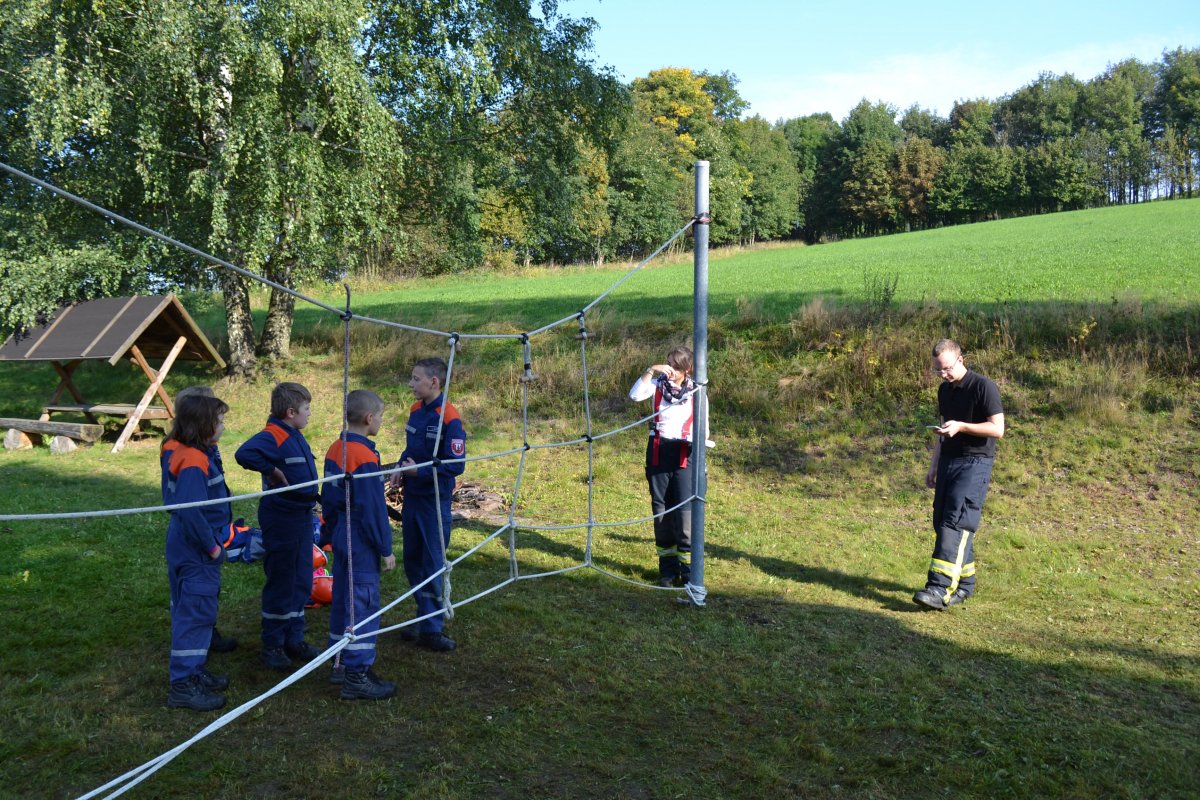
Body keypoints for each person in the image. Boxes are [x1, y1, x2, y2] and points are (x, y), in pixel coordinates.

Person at [235, 382, 323, 669]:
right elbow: (244, 453)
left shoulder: (294, 434)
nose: (310, 413)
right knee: (283, 579)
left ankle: (294, 638)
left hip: (301, 516)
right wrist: (271, 470)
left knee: (301, 578)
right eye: (307, 408)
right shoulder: (273, 434)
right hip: (282, 517)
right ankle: (273, 644)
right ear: (290, 412)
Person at [914, 338, 1005, 610]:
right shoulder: (944, 391)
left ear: (961, 359)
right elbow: (943, 430)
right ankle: (965, 583)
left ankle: (939, 588)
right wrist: (933, 466)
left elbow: (997, 429)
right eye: (937, 370)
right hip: (948, 462)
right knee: (942, 521)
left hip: (975, 464)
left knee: (956, 522)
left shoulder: (984, 387)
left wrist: (962, 426)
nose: (943, 374)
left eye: (947, 368)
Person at [321, 389, 398, 700]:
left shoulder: (335, 448)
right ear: (369, 418)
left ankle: (339, 662)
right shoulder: (363, 456)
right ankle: (357, 675)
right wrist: (385, 548)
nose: (380, 421)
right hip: (360, 537)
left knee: (343, 598)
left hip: (341, 530)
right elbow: (372, 508)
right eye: (380, 416)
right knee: (362, 603)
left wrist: (330, 532)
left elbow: (328, 497)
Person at [162, 394, 232, 711]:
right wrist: (212, 547)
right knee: (195, 613)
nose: (223, 426)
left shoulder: (187, 450)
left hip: (184, 542)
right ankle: (183, 684)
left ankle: (194, 670)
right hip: (195, 547)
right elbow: (191, 511)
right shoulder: (193, 459)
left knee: (192, 609)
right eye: (220, 421)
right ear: (204, 426)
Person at [395, 357, 466, 651]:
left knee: (432, 563)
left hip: (433, 503)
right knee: (412, 561)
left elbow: (456, 465)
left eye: (416, 379)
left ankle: (432, 629)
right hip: (412, 499)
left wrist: (420, 472)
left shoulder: (450, 417)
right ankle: (423, 614)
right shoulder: (415, 410)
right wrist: (400, 467)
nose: (410, 384)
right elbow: (411, 449)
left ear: (433, 382)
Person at [629, 346, 710, 588]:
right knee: (661, 510)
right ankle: (667, 570)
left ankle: (688, 572)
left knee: (685, 513)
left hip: (686, 454)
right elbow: (635, 395)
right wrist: (651, 370)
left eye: (676, 367)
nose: (671, 370)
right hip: (658, 452)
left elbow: (704, 429)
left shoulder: (697, 391)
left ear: (687, 369)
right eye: (668, 364)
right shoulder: (656, 385)